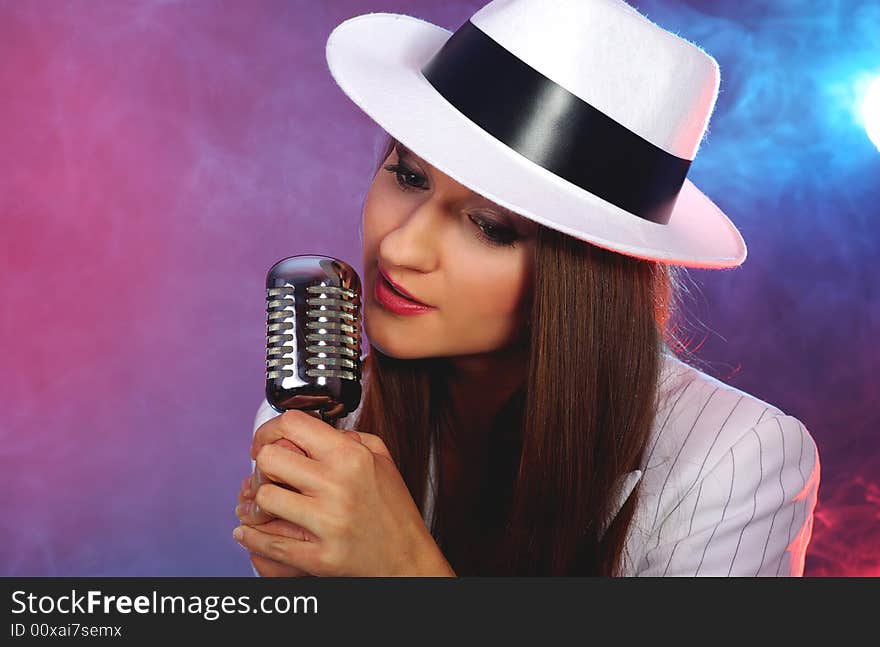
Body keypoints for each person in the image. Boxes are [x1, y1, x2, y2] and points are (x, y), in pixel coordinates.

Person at [232, 0, 820, 576]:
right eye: (408, 176)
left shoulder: (740, 459)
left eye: (488, 226)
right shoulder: (325, 418)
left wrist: (402, 573)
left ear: (584, 277)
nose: (398, 248)